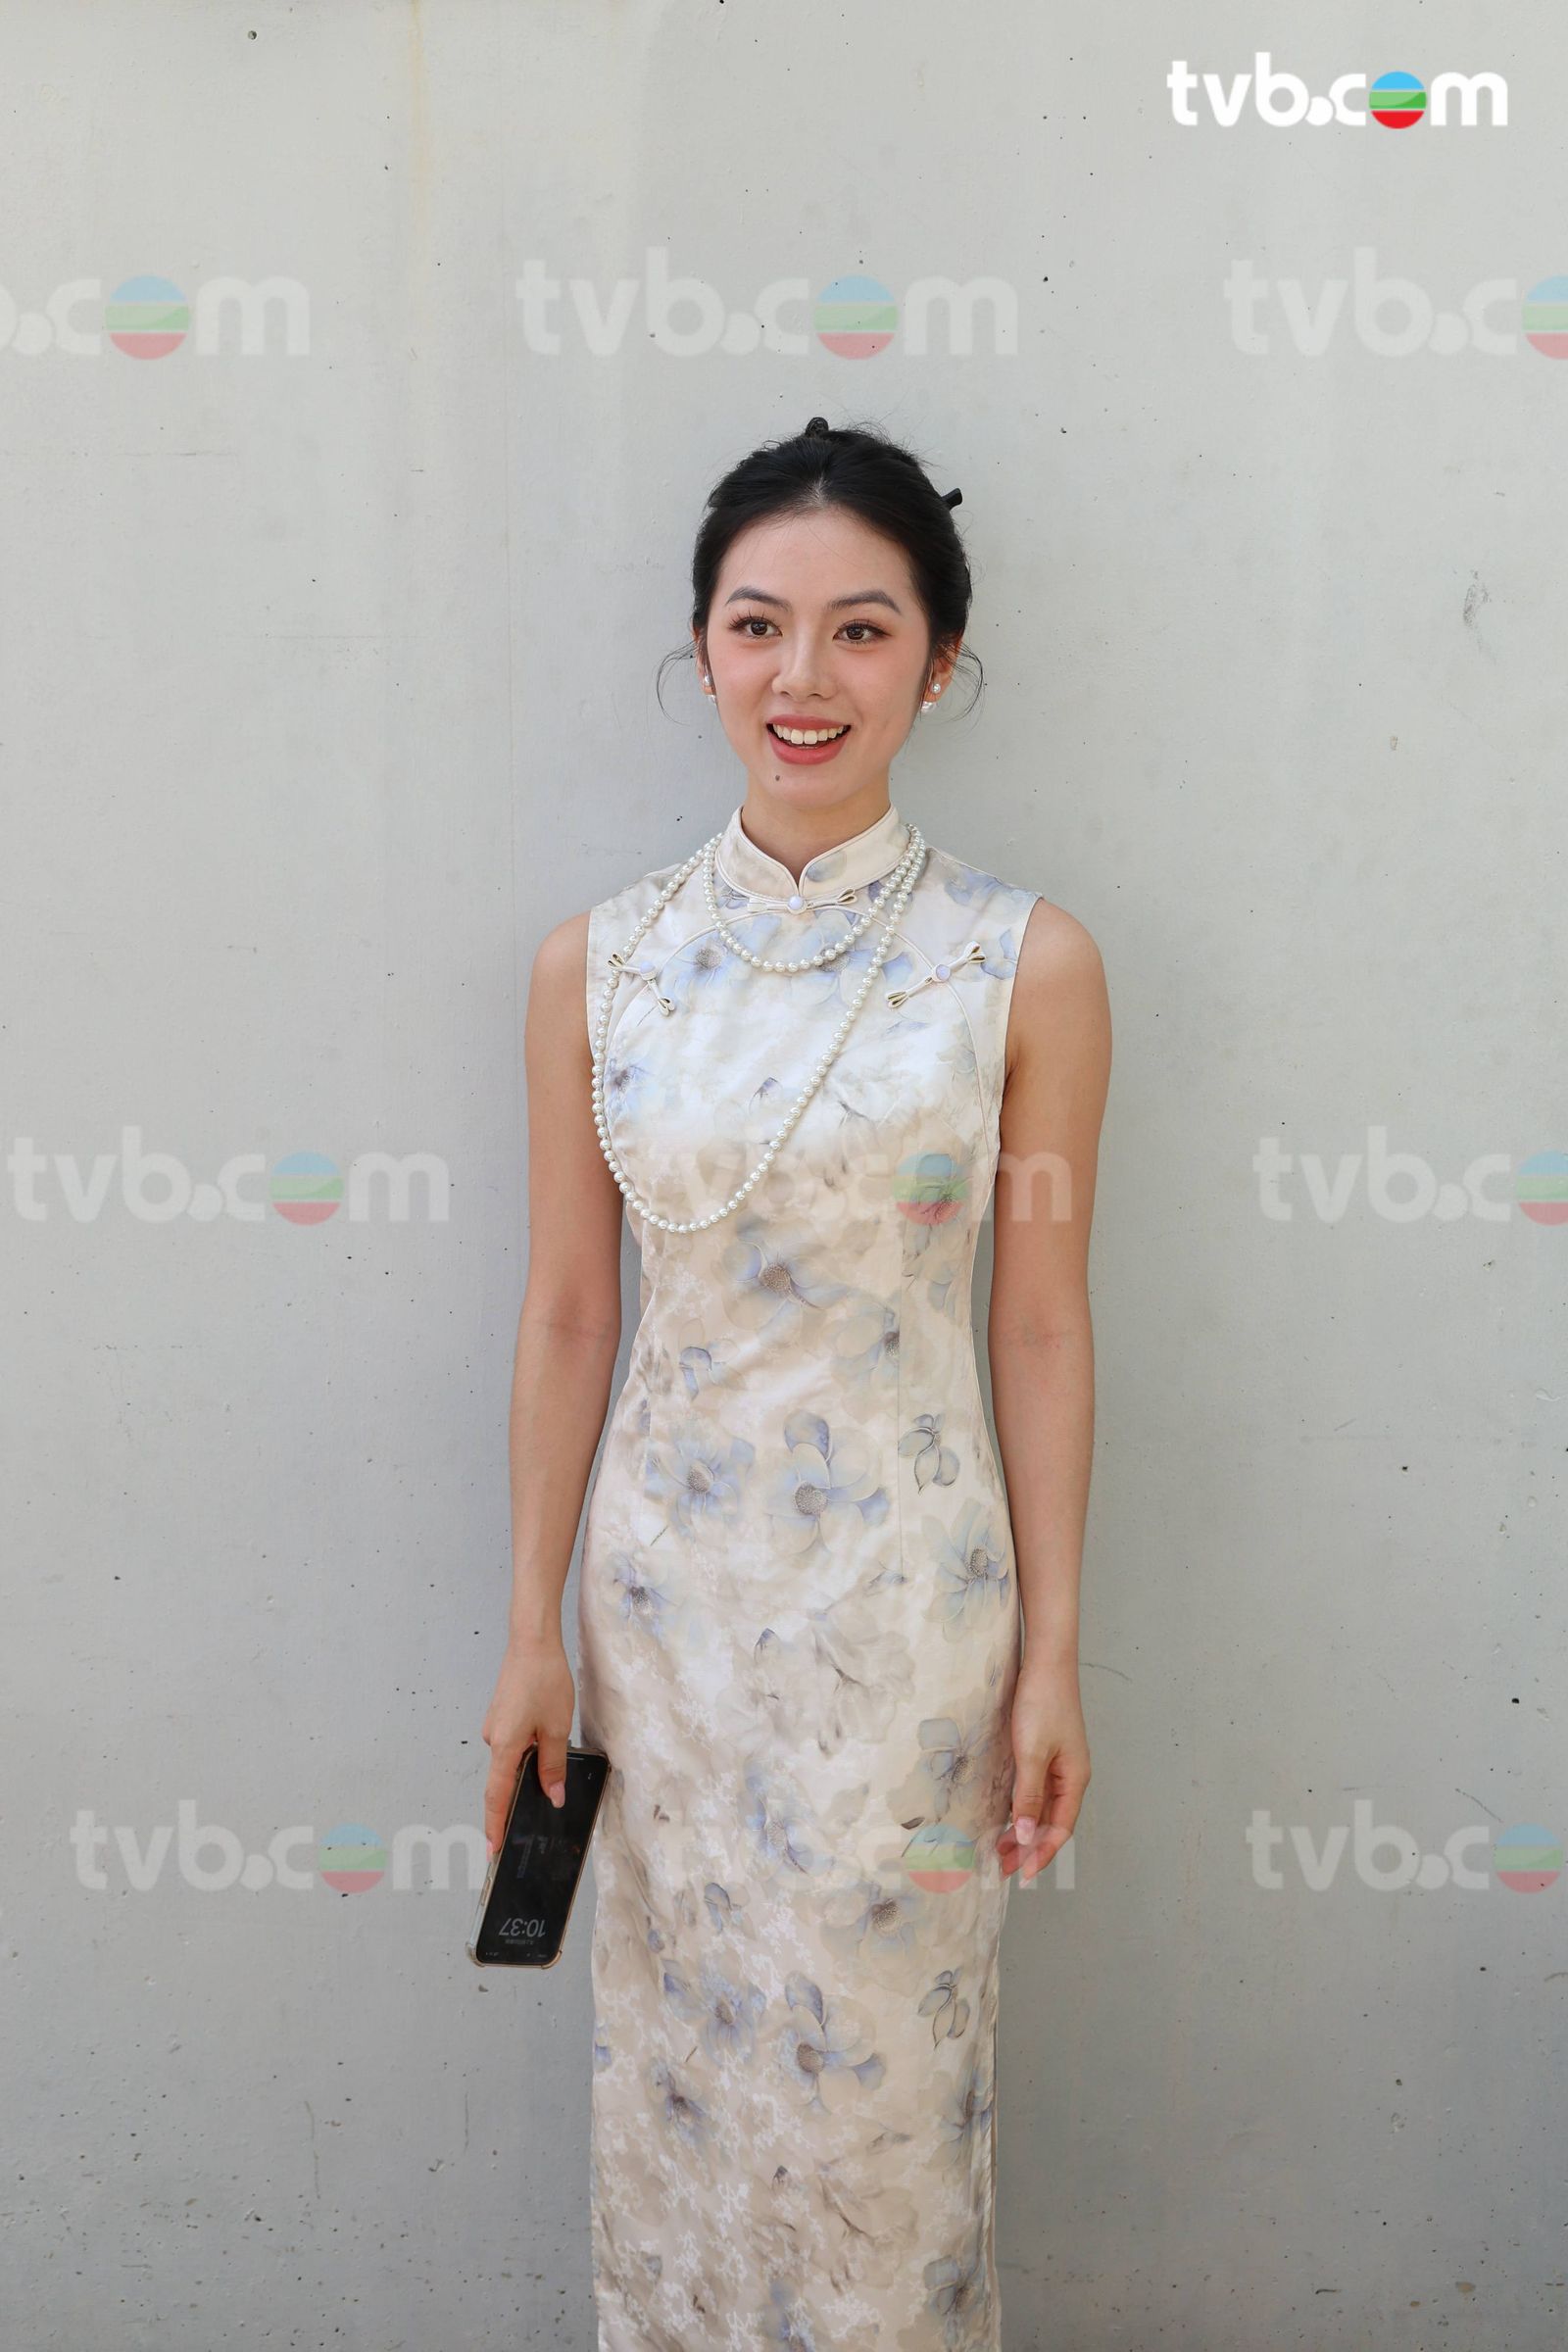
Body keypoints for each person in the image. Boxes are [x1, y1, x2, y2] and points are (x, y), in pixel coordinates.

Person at [482, 416, 1111, 2350]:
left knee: (879, 2120)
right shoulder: (595, 968)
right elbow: (567, 1313)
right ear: (703, 649)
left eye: (860, 629)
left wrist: (1051, 1652)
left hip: (907, 1629)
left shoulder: (1023, 967)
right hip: (663, 1630)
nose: (802, 675)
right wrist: (527, 1634)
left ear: (937, 662)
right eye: (758, 624)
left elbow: (1038, 1322)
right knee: (681, 2107)